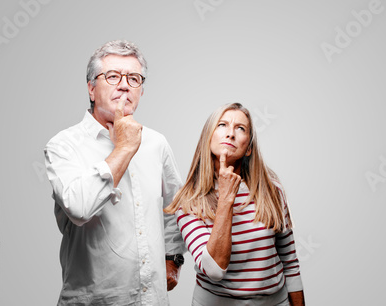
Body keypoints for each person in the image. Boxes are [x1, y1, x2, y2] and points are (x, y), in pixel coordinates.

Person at [44, 40, 186, 305]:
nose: (124, 85)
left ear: (141, 91)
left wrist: (173, 258)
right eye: (112, 76)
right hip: (95, 299)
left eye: (134, 78)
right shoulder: (63, 145)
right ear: (91, 88)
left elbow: (174, 208)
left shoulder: (157, 143)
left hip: (152, 299)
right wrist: (125, 148)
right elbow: (79, 209)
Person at [165, 103, 305, 305]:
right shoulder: (188, 199)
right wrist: (226, 199)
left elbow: (290, 263)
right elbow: (214, 270)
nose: (230, 134)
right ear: (208, 138)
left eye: (241, 128)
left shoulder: (271, 189)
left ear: (248, 148)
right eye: (222, 125)